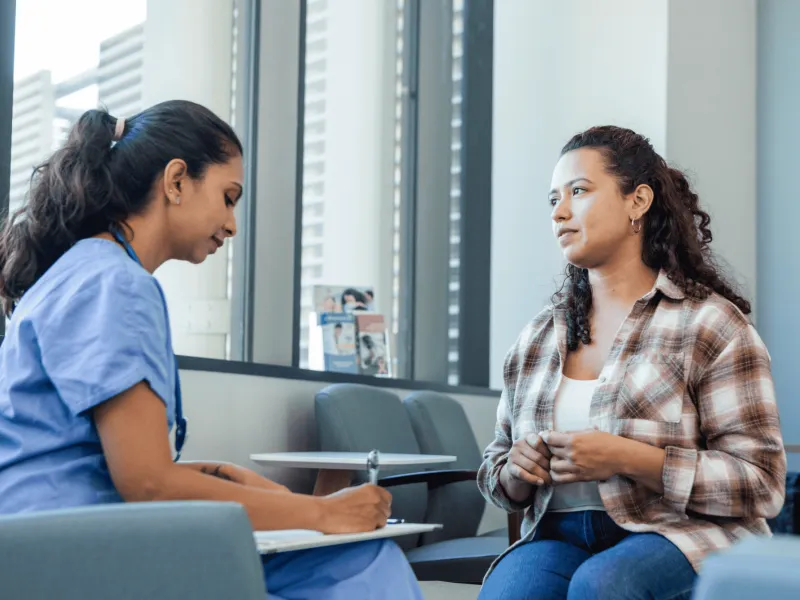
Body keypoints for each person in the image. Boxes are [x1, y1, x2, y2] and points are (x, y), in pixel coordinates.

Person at [0, 101, 423, 600]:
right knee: (360, 559)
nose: (232, 224)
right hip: (73, 553)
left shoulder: (84, 271)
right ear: (176, 180)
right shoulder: (117, 284)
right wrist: (324, 512)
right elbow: (149, 485)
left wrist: (219, 476)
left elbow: (98, 462)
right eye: (228, 197)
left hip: (44, 537)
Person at [477, 126, 786, 600]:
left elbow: (761, 484)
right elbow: (496, 466)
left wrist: (629, 458)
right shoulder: (537, 337)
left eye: (578, 192)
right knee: (511, 592)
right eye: (552, 199)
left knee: (603, 585)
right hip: (559, 535)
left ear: (637, 201)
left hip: (680, 533)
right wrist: (515, 474)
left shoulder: (710, 323)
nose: (559, 212)